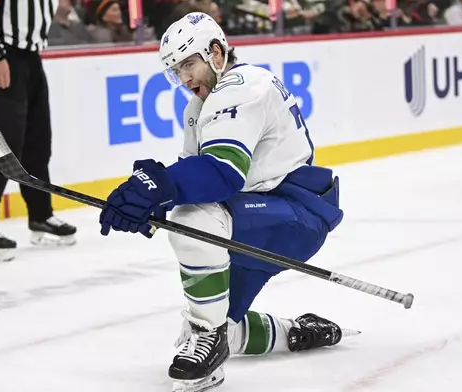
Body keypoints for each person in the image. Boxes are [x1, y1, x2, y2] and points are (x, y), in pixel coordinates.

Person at [99, 12, 345, 392]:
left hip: (296, 213)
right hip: (263, 214)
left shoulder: (244, 85)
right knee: (222, 319)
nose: (184, 79)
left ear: (216, 52)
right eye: (175, 71)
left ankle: (208, 338)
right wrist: (147, 206)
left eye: (189, 64)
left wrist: (156, 186)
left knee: (192, 221)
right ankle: (299, 332)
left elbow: (220, 174)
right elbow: (193, 179)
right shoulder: (199, 108)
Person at [0, 0, 77, 262]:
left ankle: (40, 215)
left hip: (32, 60)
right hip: (6, 57)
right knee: (1, 145)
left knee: (38, 143)